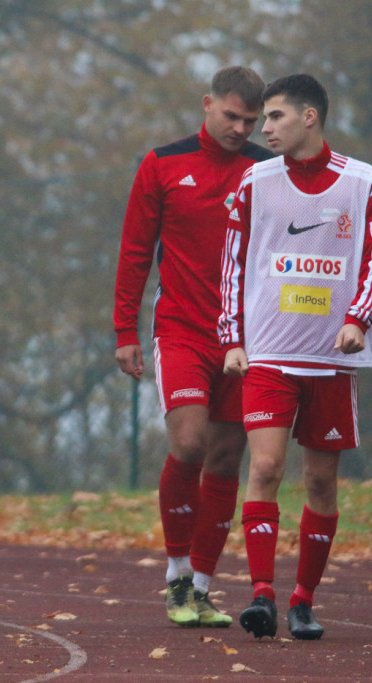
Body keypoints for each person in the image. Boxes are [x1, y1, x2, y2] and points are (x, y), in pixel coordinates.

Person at [218, 73, 372, 640]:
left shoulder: (363, 181)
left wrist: (357, 319)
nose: (262, 128)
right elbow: (234, 262)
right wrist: (233, 337)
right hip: (267, 353)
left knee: (321, 483)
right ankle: (263, 596)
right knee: (265, 467)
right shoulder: (253, 181)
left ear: (308, 117)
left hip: (332, 361)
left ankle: (303, 601)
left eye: (274, 117)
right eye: (263, 119)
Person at [113, 66, 270, 627]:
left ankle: (202, 586)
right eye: (231, 115)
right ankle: (176, 573)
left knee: (228, 456)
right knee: (189, 444)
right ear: (207, 105)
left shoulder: (265, 170)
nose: (239, 127)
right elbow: (135, 250)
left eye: (250, 120)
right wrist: (124, 332)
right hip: (179, 327)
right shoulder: (162, 163)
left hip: (245, 337)